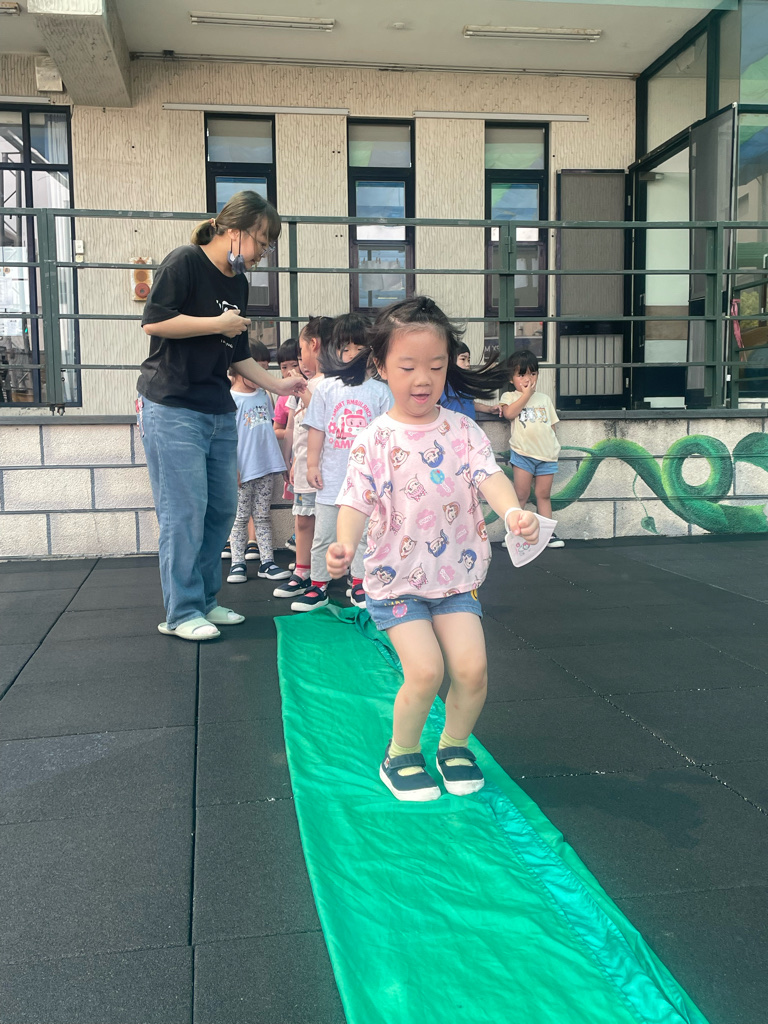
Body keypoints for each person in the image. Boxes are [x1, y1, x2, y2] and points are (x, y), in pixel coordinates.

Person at [327, 296, 539, 802]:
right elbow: (355, 499)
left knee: (472, 671)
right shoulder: (375, 439)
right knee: (425, 671)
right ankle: (400, 754)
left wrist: (513, 512)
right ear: (381, 366)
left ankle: (454, 746)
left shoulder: (462, 430)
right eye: (408, 367)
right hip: (397, 580)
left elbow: (490, 477)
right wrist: (344, 543)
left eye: (436, 366)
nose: (422, 379)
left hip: (455, 577)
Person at [137, 190, 304, 641]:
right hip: (171, 405)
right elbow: (154, 320)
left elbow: (237, 354)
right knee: (184, 512)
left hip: (217, 408)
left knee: (221, 509)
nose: (262, 252)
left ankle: (206, 602)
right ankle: (181, 612)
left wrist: (278, 385)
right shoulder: (185, 261)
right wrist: (217, 324)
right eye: (260, 242)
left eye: (268, 245)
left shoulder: (238, 283)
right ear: (233, 231)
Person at [298, 313, 391, 612]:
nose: (352, 354)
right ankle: (318, 585)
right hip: (330, 479)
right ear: (334, 351)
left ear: (372, 352)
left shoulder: (381, 391)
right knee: (324, 535)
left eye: (359, 348)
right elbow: (317, 430)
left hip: (366, 482)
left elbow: (387, 436)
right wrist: (312, 465)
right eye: (345, 348)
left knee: (364, 536)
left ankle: (360, 582)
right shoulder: (326, 389)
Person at [272, 316, 335, 600]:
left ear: (314, 344)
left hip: (324, 468)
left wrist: (304, 391)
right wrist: (287, 459)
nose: (300, 357)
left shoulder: (332, 384)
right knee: (303, 521)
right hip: (303, 467)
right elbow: (291, 428)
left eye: (301, 350)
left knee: (324, 525)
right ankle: (303, 569)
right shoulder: (305, 384)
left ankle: (324, 574)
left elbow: (326, 419)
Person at [226, 343, 292, 585]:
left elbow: (268, 432)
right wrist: (231, 467)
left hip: (266, 467)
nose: (261, 376)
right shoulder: (230, 399)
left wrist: (280, 463)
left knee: (263, 516)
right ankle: (237, 563)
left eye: (265, 369)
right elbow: (226, 437)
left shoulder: (264, 395)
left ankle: (267, 562)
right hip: (243, 470)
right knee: (240, 518)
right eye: (257, 370)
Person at [498, 348, 564, 549]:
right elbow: (509, 414)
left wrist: (553, 446)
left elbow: (552, 426)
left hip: (547, 456)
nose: (528, 379)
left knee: (543, 495)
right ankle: (514, 533)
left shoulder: (544, 399)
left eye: (532, 373)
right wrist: (526, 395)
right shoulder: (510, 396)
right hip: (523, 454)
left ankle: (547, 534)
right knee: (521, 495)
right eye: (521, 375)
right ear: (511, 378)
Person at [439, 341, 501, 420]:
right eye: (463, 359)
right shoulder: (444, 384)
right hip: (450, 426)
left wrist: (489, 409)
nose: (467, 364)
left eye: (468, 360)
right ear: (451, 359)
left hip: (469, 426)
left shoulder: (466, 384)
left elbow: (471, 403)